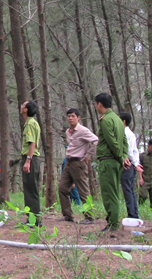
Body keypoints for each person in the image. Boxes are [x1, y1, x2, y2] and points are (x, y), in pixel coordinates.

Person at [94, 93, 127, 232]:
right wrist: (124, 156)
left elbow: (112, 141)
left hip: (108, 161)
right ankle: (112, 221)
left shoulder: (106, 120)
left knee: (109, 193)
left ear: (100, 104)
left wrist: (121, 157)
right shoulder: (118, 120)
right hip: (116, 161)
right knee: (113, 192)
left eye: (96, 104)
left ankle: (113, 224)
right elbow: (124, 142)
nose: (95, 107)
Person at [59, 108, 98, 223]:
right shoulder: (68, 132)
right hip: (69, 162)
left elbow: (95, 140)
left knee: (83, 190)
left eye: (73, 116)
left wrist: (88, 156)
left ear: (78, 118)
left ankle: (89, 217)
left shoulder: (83, 130)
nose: (70, 118)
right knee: (62, 188)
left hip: (78, 163)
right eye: (69, 116)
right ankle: (67, 215)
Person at [20, 100, 42, 226]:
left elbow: (32, 143)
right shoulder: (31, 123)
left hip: (31, 159)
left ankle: (34, 220)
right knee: (30, 189)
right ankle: (32, 219)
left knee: (31, 190)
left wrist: (28, 161)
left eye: (23, 105)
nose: (21, 106)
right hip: (32, 159)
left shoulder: (30, 124)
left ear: (26, 109)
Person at [119, 112, 143, 219]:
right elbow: (135, 150)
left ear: (123, 121)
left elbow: (129, 151)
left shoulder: (125, 133)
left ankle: (132, 214)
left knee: (127, 189)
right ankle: (134, 214)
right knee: (130, 189)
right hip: (132, 164)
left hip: (128, 163)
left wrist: (134, 163)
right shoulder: (132, 134)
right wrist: (136, 163)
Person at [139, 140, 152, 207]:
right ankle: (140, 207)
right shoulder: (142, 156)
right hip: (145, 180)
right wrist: (140, 178)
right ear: (148, 146)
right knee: (143, 195)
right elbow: (140, 168)